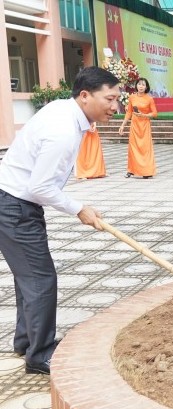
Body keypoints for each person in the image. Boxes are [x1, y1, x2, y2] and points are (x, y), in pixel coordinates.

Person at [0, 66, 120, 375]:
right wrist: (79, 208)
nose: (114, 107)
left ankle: (26, 341)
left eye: (116, 99)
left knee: (28, 278)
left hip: (14, 201)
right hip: (15, 205)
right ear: (84, 96)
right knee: (41, 280)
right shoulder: (63, 130)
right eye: (109, 99)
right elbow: (39, 187)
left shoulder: (63, 111)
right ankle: (40, 355)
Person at [118, 78, 157, 179]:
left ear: (146, 87)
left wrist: (144, 115)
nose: (141, 86)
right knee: (133, 148)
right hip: (134, 126)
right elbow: (129, 112)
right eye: (139, 84)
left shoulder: (149, 99)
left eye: (143, 85)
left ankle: (147, 171)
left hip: (144, 126)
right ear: (136, 86)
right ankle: (131, 170)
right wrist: (123, 125)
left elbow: (154, 113)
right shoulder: (132, 97)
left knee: (145, 148)